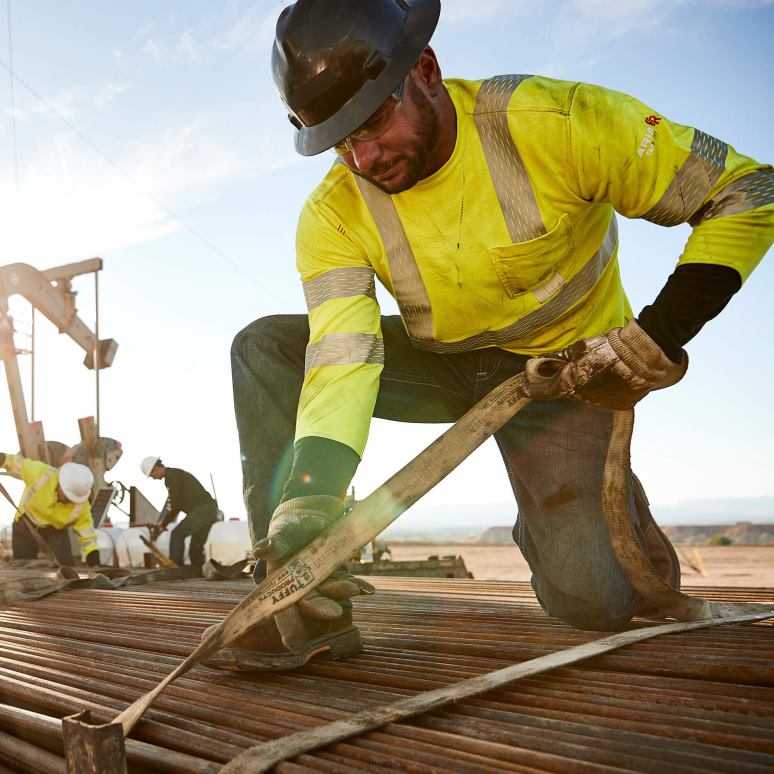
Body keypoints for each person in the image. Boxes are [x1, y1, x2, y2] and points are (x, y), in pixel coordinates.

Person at [208, 0, 772, 671]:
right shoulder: (332, 213)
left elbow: (749, 191)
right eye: (340, 141)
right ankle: (293, 604)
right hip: (444, 365)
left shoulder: (556, 122)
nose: (363, 157)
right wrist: (310, 498)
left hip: (565, 378)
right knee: (265, 348)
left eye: (375, 121)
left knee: (592, 599)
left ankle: (597, 507)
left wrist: (659, 333)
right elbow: (342, 358)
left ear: (425, 69)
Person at [0, 452, 100, 567]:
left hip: (55, 532)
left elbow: (88, 537)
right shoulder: (41, 473)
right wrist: (2, 459)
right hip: (25, 526)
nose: (71, 501)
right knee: (22, 567)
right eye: (68, 496)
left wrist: (94, 562)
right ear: (60, 485)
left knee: (66, 568)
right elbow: (15, 462)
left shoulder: (82, 506)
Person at [140, 456, 219, 566]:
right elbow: (175, 504)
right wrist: (162, 525)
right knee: (196, 547)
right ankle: (199, 570)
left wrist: (162, 526)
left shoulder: (171, 477)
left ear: (155, 469)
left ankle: (176, 568)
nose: (153, 478)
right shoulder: (175, 474)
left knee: (177, 535)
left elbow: (176, 506)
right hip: (210, 510)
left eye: (151, 475)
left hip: (203, 510)